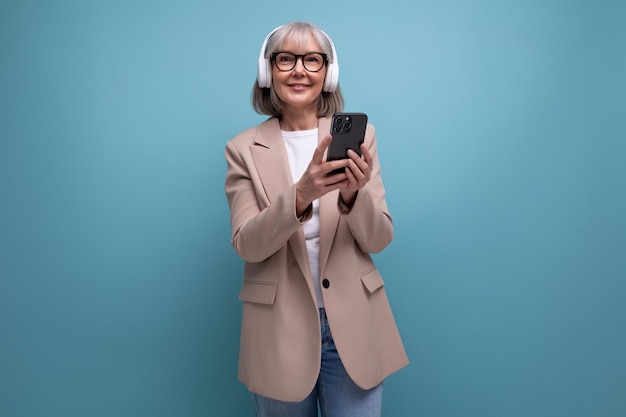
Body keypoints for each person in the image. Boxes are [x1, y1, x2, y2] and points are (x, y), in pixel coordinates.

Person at [224, 21, 408, 417]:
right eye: (286, 59)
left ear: (329, 72)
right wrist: (302, 194)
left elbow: (379, 240)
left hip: (355, 326)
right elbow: (247, 244)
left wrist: (351, 195)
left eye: (312, 59)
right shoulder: (242, 149)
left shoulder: (362, 138)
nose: (299, 70)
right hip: (279, 330)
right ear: (267, 71)